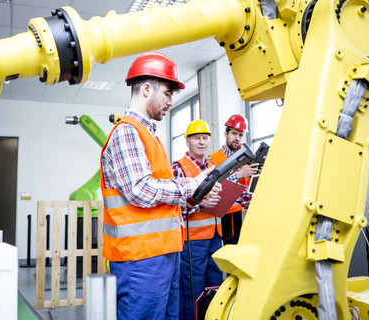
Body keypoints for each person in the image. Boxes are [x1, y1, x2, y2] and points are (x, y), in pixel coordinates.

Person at [100, 52, 221, 320]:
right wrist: (193, 184)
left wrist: (197, 192)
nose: (170, 101)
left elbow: (162, 193)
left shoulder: (149, 135)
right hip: (140, 260)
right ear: (146, 89)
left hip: (162, 254)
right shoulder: (127, 131)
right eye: (167, 93)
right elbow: (141, 191)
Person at [171, 119, 223, 320]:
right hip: (192, 242)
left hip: (214, 238)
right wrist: (201, 205)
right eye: (196, 138)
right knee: (192, 291)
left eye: (205, 138)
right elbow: (174, 207)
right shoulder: (179, 168)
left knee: (214, 286)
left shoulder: (214, 167)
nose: (202, 142)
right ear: (188, 142)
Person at [208, 114, 259, 245]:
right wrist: (239, 174)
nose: (237, 138)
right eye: (234, 133)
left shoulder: (247, 160)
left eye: (241, 135)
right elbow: (212, 186)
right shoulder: (212, 159)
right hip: (226, 217)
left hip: (246, 215)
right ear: (226, 133)